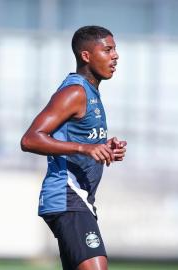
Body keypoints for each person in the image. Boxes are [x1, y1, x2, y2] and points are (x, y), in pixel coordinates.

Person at [20, 25, 127, 270]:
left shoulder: (91, 92)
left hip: (79, 200)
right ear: (86, 56)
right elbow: (30, 139)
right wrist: (84, 149)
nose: (115, 56)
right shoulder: (74, 92)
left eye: (115, 49)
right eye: (108, 50)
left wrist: (103, 147)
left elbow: (79, 138)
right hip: (67, 196)